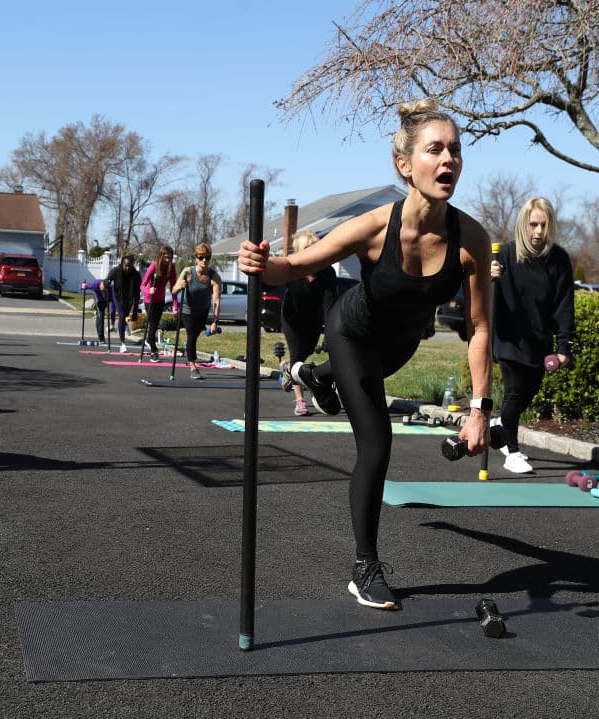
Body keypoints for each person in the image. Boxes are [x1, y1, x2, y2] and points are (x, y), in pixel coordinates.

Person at [237, 99, 493, 610]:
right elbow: (295, 266)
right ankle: (365, 567)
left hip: (399, 346)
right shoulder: (376, 225)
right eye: (435, 150)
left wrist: (479, 409)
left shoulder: (472, 239)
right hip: (352, 334)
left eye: (456, 151)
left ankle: (318, 378)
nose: (449, 162)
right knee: (376, 444)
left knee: (366, 390)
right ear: (405, 165)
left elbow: (481, 326)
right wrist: (261, 263)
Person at [491, 197, 575, 474]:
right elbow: (482, 297)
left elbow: (564, 305)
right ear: (523, 226)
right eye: (533, 225)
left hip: (539, 340)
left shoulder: (559, 260)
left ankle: (501, 427)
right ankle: (512, 452)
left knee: (530, 392)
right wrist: (486, 277)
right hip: (508, 338)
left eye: (543, 225)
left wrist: (564, 346)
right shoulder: (504, 255)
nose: (538, 231)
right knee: (514, 393)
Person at [278, 230, 339, 416]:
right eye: (307, 248)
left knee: (306, 353)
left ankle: (286, 368)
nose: (312, 251)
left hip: (314, 318)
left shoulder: (327, 273)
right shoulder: (292, 270)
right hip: (292, 318)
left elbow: (330, 305)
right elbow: (271, 281)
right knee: (298, 355)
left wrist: (331, 335)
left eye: (315, 247)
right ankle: (300, 401)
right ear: (299, 251)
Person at [173, 243, 221, 380]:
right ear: (196, 259)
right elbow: (174, 290)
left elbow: (216, 301)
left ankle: (188, 347)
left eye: (207, 257)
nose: (204, 260)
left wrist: (214, 322)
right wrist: (180, 286)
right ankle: (193, 366)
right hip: (187, 311)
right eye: (201, 257)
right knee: (192, 334)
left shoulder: (214, 277)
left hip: (203, 312)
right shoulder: (187, 272)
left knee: (195, 333)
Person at [140, 245, 178, 362]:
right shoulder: (154, 266)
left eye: (169, 257)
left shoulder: (171, 268)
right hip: (149, 300)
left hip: (160, 300)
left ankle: (149, 341)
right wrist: (149, 290)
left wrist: (175, 306)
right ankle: (153, 351)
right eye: (166, 257)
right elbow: (142, 285)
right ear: (161, 256)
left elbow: (173, 288)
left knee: (155, 325)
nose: (168, 260)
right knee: (152, 326)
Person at [107, 254, 141, 353]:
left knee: (125, 316)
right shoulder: (115, 271)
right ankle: (122, 343)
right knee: (122, 316)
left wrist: (134, 312)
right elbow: (107, 279)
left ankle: (124, 326)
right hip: (117, 296)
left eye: (129, 266)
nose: (127, 268)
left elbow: (137, 295)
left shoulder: (136, 275)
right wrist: (106, 283)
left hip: (129, 297)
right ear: (122, 264)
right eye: (125, 265)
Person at [81, 277, 110, 342]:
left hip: (107, 299)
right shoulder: (94, 284)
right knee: (100, 315)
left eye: (104, 290)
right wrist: (83, 286)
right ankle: (101, 338)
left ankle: (96, 308)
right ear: (101, 284)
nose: (103, 290)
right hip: (98, 299)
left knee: (107, 310)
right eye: (102, 289)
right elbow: (84, 285)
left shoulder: (109, 287)